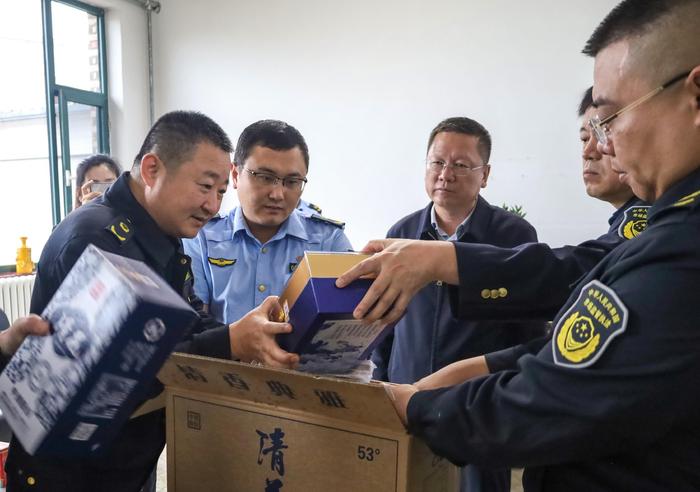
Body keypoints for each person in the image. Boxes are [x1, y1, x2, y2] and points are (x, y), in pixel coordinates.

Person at [345, 0, 700, 489]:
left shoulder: (682, 244)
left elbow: (560, 395)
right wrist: (482, 361)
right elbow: (589, 275)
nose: (604, 146)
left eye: (611, 119)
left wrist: (418, 405)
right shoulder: (666, 224)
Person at [5, 110, 299, 492]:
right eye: (204, 186)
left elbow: (186, 314)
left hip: (125, 460)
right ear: (151, 169)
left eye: (220, 192)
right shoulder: (96, 240)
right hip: (67, 472)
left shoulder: (163, 234)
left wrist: (249, 334)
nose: (212, 206)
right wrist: (231, 342)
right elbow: (124, 365)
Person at [371, 116, 541, 492]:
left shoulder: (512, 236)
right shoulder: (401, 234)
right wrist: (379, 385)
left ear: (485, 174)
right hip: (406, 398)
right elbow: (384, 325)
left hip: (477, 409)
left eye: (461, 165)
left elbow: (526, 333)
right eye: (437, 162)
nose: (445, 174)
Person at [184, 120, 352, 324]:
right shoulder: (201, 237)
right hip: (223, 355)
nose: (277, 194)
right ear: (235, 175)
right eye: (264, 177)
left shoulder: (329, 242)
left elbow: (346, 326)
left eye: (292, 182)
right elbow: (192, 323)